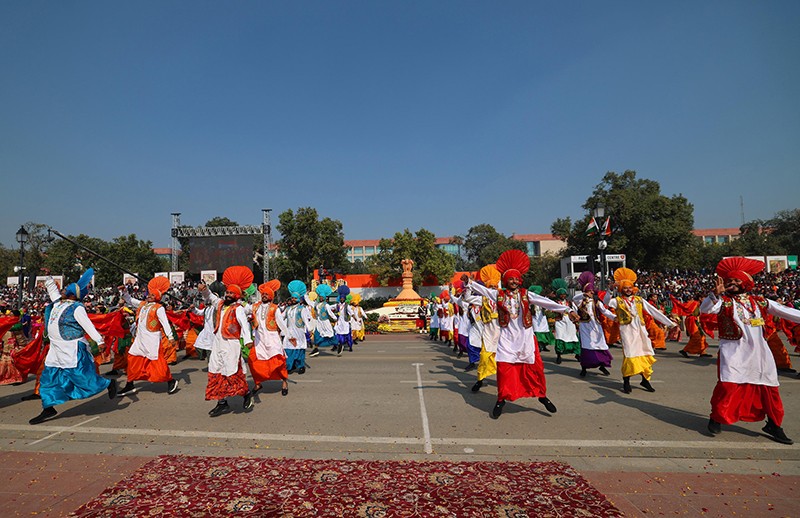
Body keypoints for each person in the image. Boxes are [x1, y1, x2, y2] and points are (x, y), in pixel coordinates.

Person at [463, 250, 576, 418]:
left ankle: (541, 396)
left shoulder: (526, 294)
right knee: (504, 370)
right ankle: (501, 399)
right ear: (505, 281)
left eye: (517, 279)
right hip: (507, 339)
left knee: (533, 370)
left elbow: (546, 302)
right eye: (511, 279)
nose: (514, 281)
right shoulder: (498, 295)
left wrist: (567, 309)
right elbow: (484, 291)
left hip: (525, 338)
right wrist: (470, 283)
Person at [702, 257, 800, 444]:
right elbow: (707, 310)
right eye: (729, 281)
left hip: (760, 353)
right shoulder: (723, 302)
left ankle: (774, 424)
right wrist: (714, 295)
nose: (732, 284)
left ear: (746, 282)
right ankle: (716, 417)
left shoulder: (760, 302)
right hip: (734, 351)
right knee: (728, 386)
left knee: (769, 388)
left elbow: (787, 312)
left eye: (737, 280)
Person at [30, 270, 116, 425]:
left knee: (83, 378)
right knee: (48, 378)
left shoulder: (77, 307)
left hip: (72, 348)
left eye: (65, 290)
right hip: (56, 348)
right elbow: (52, 289)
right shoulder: (58, 303)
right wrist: (48, 276)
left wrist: (99, 341)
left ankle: (108, 383)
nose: (62, 291)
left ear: (71, 294)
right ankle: (48, 407)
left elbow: (87, 325)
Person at [605, 268, 676, 394]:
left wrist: (669, 323)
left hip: (640, 331)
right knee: (630, 355)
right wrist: (611, 291)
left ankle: (645, 379)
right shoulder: (617, 301)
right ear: (621, 289)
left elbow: (653, 312)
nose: (628, 290)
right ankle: (626, 381)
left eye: (630, 287)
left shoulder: (639, 300)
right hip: (627, 331)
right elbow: (604, 304)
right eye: (625, 288)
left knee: (645, 353)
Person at [199, 266, 255, 417]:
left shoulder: (238, 309)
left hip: (232, 344)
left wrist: (248, 340)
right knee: (216, 370)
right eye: (227, 292)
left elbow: (244, 325)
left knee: (231, 371)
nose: (228, 294)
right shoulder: (220, 304)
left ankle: (245, 394)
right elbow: (210, 296)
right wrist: (204, 289)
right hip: (218, 342)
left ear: (236, 295)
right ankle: (221, 403)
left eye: (231, 293)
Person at [118, 277, 178, 397]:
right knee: (132, 358)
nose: (149, 296)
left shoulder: (159, 308)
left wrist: (170, 337)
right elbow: (129, 300)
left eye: (152, 295)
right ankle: (130, 383)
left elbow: (165, 322)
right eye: (149, 294)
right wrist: (124, 291)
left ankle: (170, 380)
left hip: (152, 338)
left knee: (156, 362)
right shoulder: (142, 304)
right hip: (140, 339)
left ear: (157, 297)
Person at [247, 280, 288, 398]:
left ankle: (284, 383)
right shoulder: (254, 306)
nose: (264, 295)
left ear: (271, 296)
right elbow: (244, 311)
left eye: (267, 294)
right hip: (259, 339)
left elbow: (281, 323)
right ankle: (257, 383)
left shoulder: (275, 308)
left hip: (272, 338)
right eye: (263, 294)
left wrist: (289, 336)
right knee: (253, 361)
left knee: (279, 362)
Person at [573, 272, 614, 378]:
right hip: (585, 327)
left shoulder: (597, 302)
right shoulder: (580, 301)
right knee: (586, 346)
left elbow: (605, 311)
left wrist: (615, 318)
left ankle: (602, 365)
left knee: (600, 345)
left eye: (592, 290)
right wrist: (584, 294)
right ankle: (584, 368)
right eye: (589, 290)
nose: (591, 292)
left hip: (596, 326)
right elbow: (574, 298)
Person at [470, 264, 501, 393]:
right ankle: (480, 380)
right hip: (488, 331)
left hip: (502, 332)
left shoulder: (503, 298)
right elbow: (467, 298)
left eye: (495, 286)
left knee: (502, 358)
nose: (493, 288)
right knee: (484, 356)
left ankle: (504, 380)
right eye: (490, 287)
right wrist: (468, 285)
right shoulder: (482, 299)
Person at [278, 280, 314, 374]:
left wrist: (309, 330)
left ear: (298, 298)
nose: (293, 299)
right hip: (289, 332)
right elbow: (281, 318)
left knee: (299, 349)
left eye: (295, 298)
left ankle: (301, 366)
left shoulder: (302, 309)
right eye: (292, 298)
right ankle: (289, 366)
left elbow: (306, 320)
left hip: (299, 332)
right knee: (288, 348)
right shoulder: (288, 309)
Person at [551, 278, 580, 364]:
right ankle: (559, 355)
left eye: (564, 294)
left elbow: (574, 310)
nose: (563, 296)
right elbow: (551, 311)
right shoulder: (555, 303)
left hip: (570, 321)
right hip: (560, 322)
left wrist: (575, 319)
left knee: (573, 336)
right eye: (561, 294)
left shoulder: (570, 303)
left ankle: (577, 354)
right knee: (560, 336)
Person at [312, 284, 337, 356]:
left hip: (325, 322)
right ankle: (315, 349)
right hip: (319, 322)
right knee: (317, 334)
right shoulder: (317, 305)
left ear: (325, 298)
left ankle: (338, 344)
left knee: (330, 335)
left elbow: (330, 313)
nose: (321, 298)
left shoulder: (326, 305)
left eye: (322, 297)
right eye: (320, 297)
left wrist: (335, 318)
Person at [529, 286, 554, 353]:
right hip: (535, 317)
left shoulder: (542, 299)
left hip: (542, 317)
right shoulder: (530, 300)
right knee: (537, 330)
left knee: (545, 330)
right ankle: (539, 345)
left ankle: (544, 345)